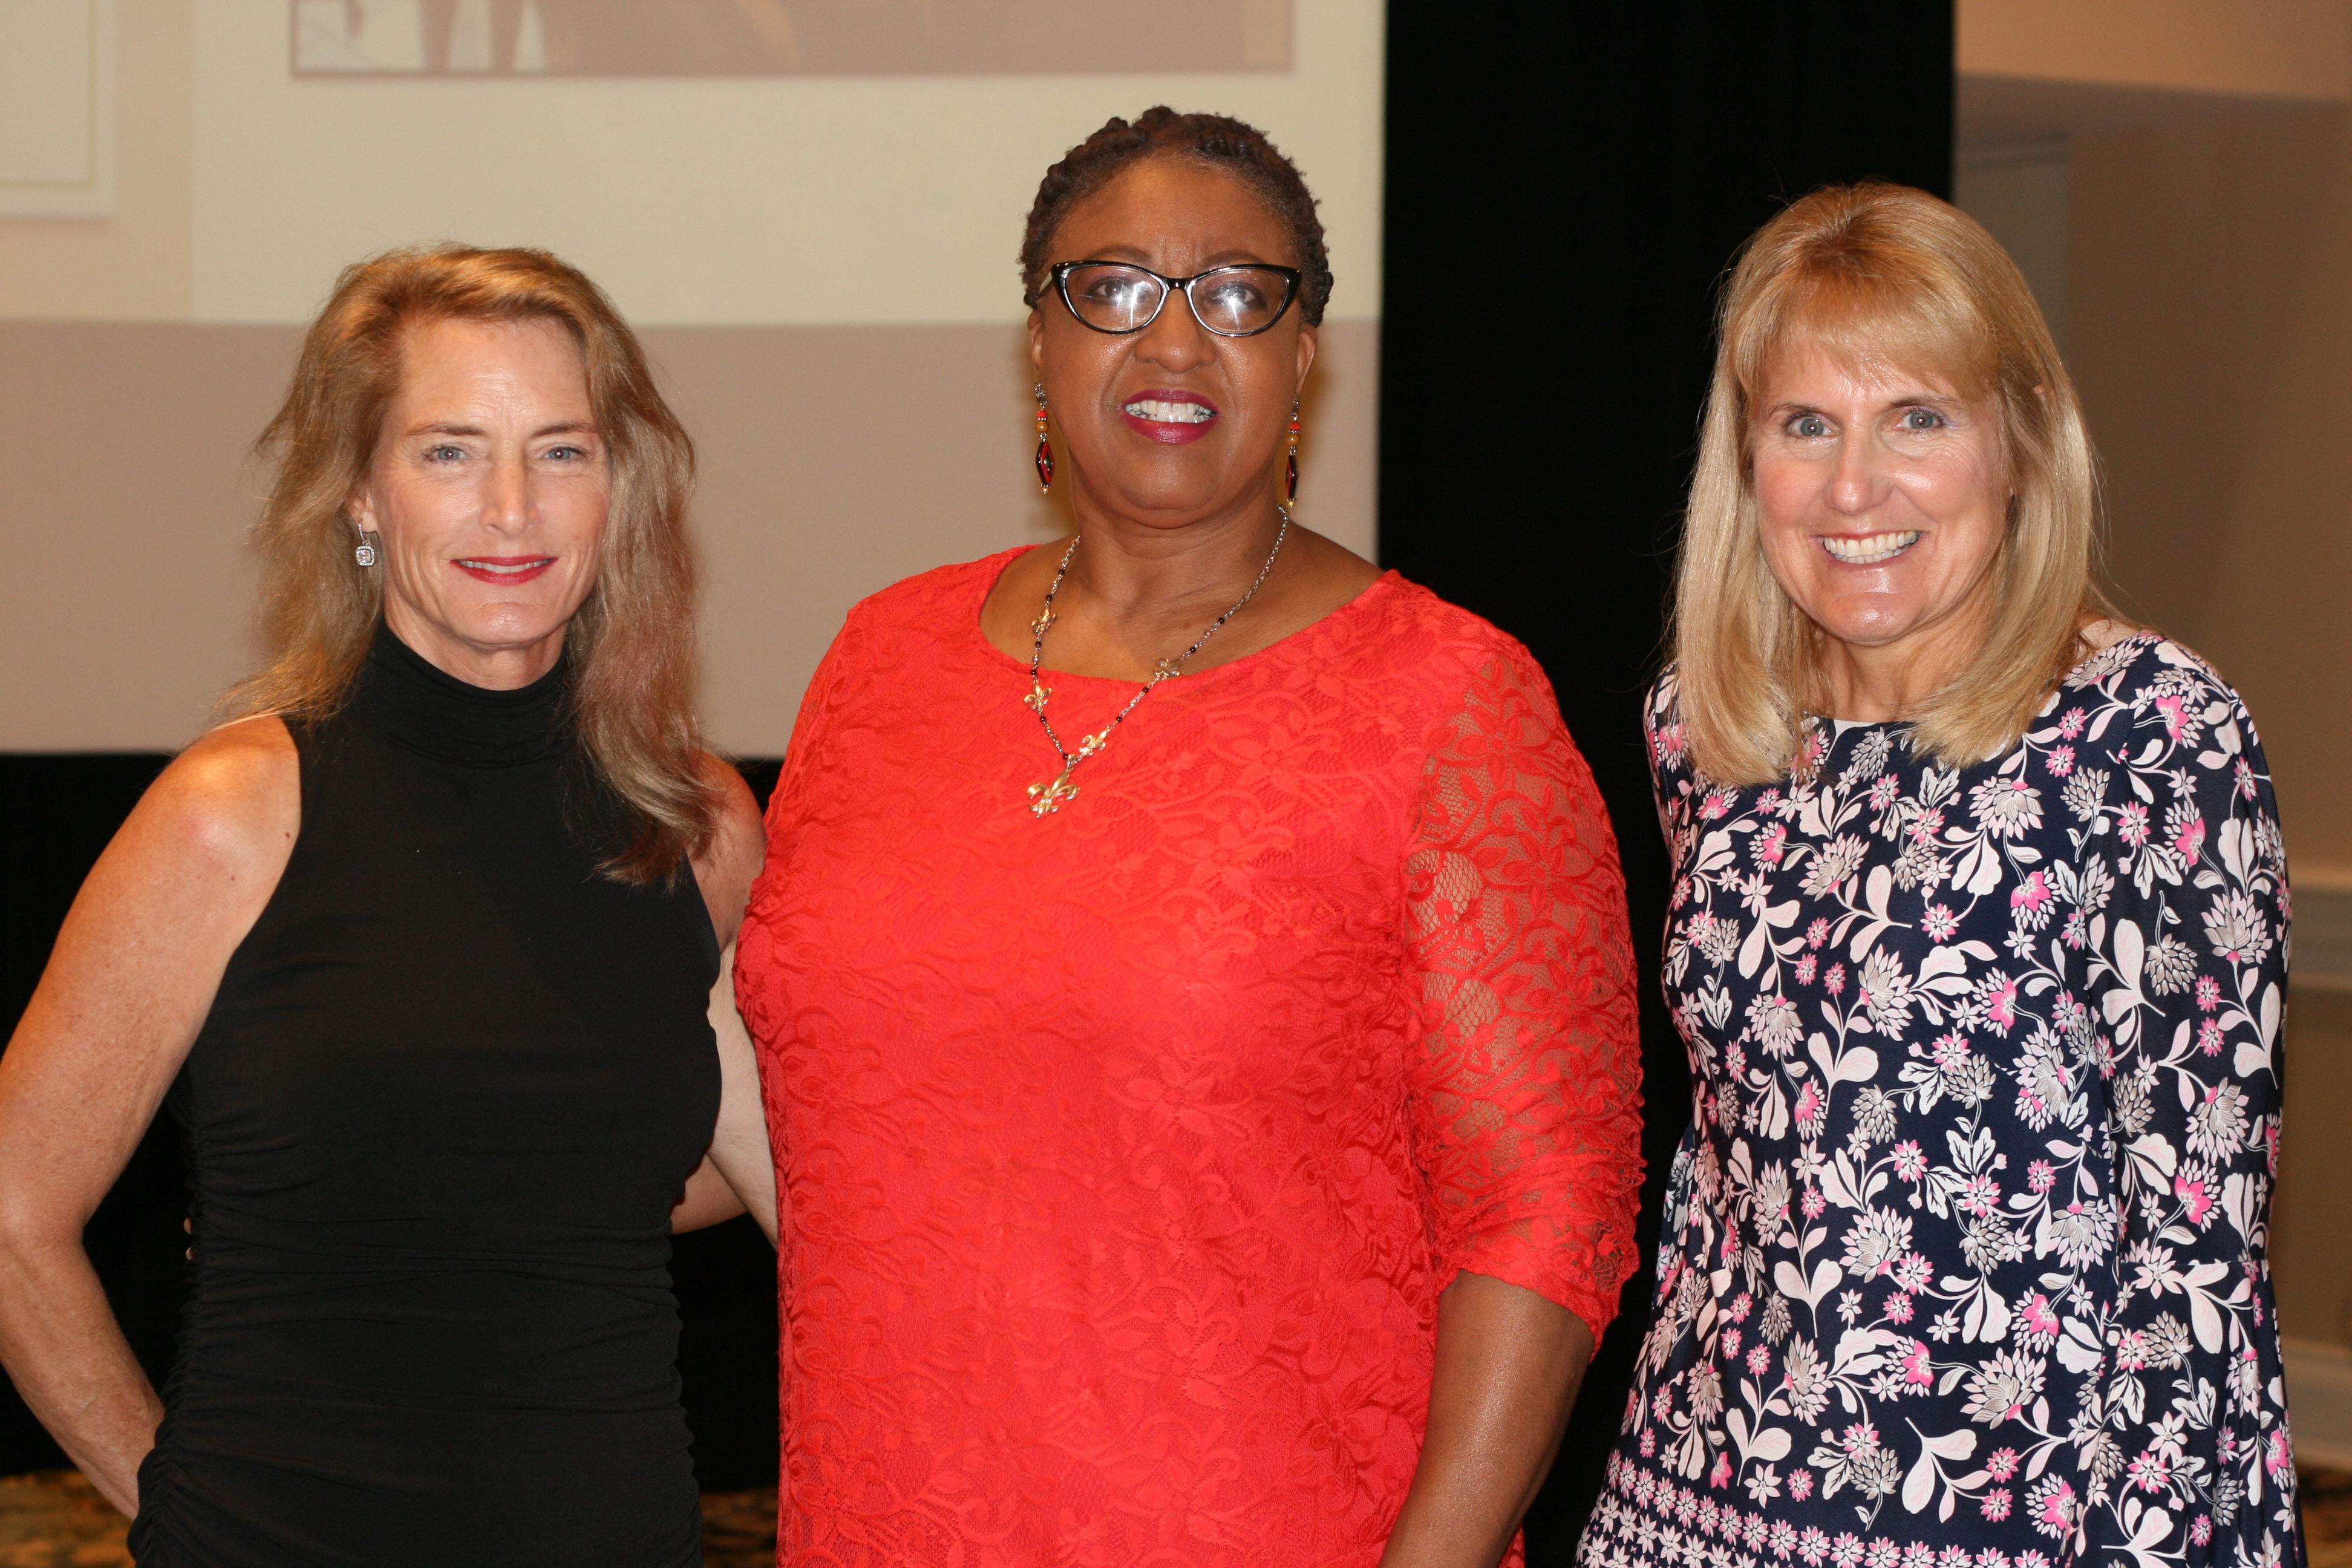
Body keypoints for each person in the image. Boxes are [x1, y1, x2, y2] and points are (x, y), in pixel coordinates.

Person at [731, 106, 1644, 1567]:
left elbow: (1546, 1223)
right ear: (1040, 343)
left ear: (1302, 358)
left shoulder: (1451, 703)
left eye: (1235, 296)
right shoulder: (880, 659)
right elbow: (803, 1108)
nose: (1172, 342)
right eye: (1111, 289)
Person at [0, 246, 773, 1566]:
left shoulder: (696, 828)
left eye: (563, 452)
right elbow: (14, 1214)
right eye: (450, 452)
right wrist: (177, 1508)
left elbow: (724, 1165)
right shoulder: (232, 815)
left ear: (622, 491)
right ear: (360, 492)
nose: (512, 509)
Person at [1575, 185, 2304, 1568]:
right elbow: (1727, 1177)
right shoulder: (1707, 734)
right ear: (1747, 458)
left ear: (2021, 442)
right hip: (1699, 1504)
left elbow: (2193, 1255)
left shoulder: (2150, 733)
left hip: (2027, 1523)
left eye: (1918, 418)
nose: (1854, 488)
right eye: (1807, 425)